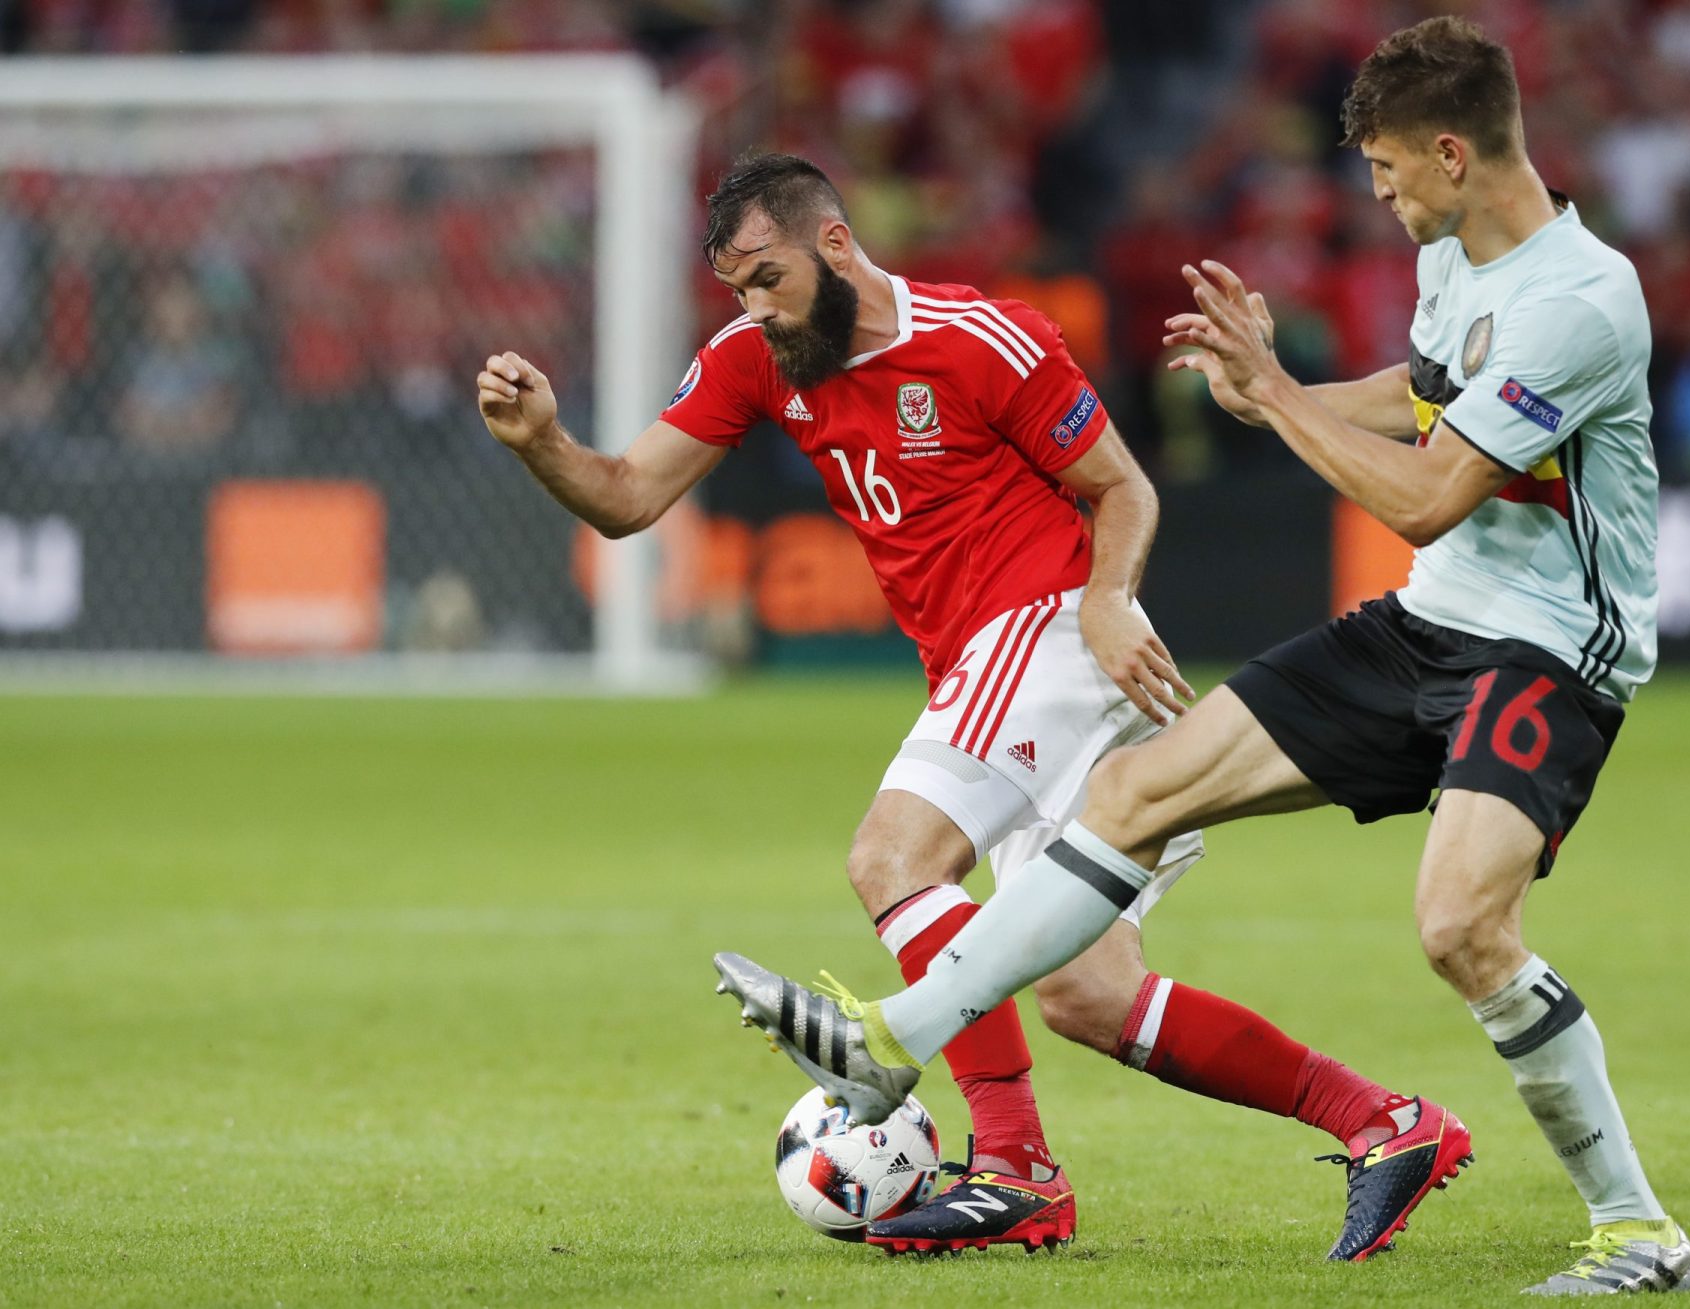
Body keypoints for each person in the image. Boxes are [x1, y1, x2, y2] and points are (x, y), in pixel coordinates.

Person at [717, 19, 1690, 1296]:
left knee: (1461, 924)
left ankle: (1640, 1235)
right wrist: (1278, 380)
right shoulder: (1458, 257)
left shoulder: (1579, 299)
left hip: (1547, 651)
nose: (1379, 191)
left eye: (1392, 168)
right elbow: (1422, 392)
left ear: (1454, 154)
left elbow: (1429, 492)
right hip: (1427, 624)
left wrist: (1278, 406)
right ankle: (894, 1037)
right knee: (1134, 793)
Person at [488, 153, 1468, 1259]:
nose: (754, 308)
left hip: (1053, 631)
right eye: (736, 291)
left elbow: (1124, 486)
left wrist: (1106, 598)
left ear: (836, 248)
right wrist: (544, 447)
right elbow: (625, 496)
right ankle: (1386, 1123)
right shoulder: (757, 360)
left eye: (767, 278)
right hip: (1002, 671)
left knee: (894, 859)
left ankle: (1013, 1168)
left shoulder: (978, 339)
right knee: (1087, 995)